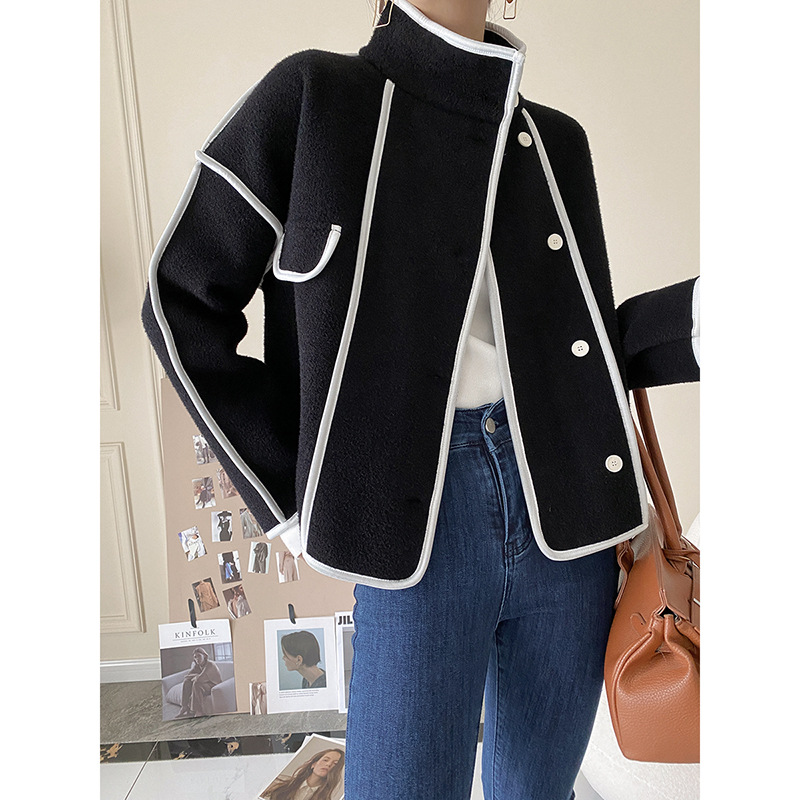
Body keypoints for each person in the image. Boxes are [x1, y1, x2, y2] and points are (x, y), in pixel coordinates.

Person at [141, 1, 700, 796]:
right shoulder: (314, 99)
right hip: (417, 529)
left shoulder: (555, 144)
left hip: (570, 519)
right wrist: (291, 496)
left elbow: (581, 348)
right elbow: (180, 298)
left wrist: (703, 317)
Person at [259, 748, 344, 800]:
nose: (328, 764)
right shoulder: (280, 783)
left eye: (335, 764)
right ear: (313, 764)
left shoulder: (324, 798)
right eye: (325, 760)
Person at [177, 647, 222, 718]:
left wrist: (196, 677)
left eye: (199, 656)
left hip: (214, 686)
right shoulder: (197, 666)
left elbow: (199, 679)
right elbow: (187, 676)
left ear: (204, 656)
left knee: (196, 684)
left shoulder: (210, 664)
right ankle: (184, 706)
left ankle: (200, 711)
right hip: (204, 685)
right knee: (187, 682)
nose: (197, 659)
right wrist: (196, 676)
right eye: (195, 657)